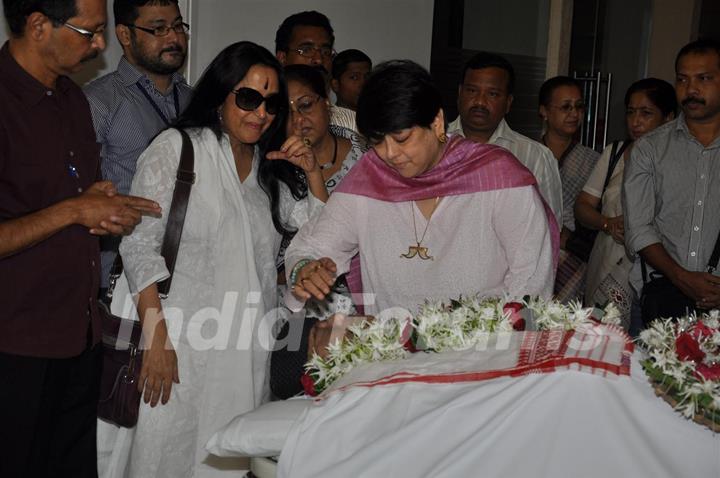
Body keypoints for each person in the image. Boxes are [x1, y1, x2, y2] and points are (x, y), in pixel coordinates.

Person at [116, 41, 327, 477]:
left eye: (271, 103)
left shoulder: (269, 169)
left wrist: (311, 171)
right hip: (177, 344)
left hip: (243, 347)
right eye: (248, 98)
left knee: (226, 458)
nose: (261, 113)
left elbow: (318, 233)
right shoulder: (178, 149)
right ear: (221, 95)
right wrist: (156, 338)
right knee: (164, 454)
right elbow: (138, 244)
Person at [284, 60, 558, 356]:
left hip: (482, 361)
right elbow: (312, 245)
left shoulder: (500, 179)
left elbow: (530, 285)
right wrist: (305, 269)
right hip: (392, 360)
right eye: (377, 141)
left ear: (437, 123)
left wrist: (491, 351)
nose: (389, 154)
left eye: (402, 138)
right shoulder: (370, 179)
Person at [0, 0, 161, 476]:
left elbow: (65, 200)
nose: (100, 45)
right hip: (15, 343)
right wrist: (74, 209)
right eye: (88, 31)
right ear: (37, 26)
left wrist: (97, 203)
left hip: (79, 334)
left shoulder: (72, 98)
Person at [84, 0, 193, 297]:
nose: (174, 38)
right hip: (120, 284)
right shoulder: (97, 102)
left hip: (191, 281)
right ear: (124, 34)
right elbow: (77, 198)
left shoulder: (196, 102)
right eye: (158, 29)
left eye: (178, 26)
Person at [271, 64, 367, 398]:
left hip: (366, 313)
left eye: (307, 105)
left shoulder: (368, 157)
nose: (298, 120)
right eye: (287, 111)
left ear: (327, 103)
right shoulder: (274, 169)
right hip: (296, 320)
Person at [623, 38, 720, 328]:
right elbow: (638, 228)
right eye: (682, 79)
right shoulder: (649, 148)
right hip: (660, 302)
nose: (691, 90)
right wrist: (682, 278)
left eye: (704, 79)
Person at [575, 78, 676, 328]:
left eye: (646, 113)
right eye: (631, 112)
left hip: (656, 270)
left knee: (647, 341)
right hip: (607, 259)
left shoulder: (679, 162)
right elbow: (582, 207)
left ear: (669, 118)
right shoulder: (615, 152)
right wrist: (607, 223)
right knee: (600, 339)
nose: (636, 121)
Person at [448, 52, 563, 226]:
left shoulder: (535, 157)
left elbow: (549, 227)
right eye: (472, 90)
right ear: (459, 93)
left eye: (492, 94)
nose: (479, 101)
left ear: (508, 102)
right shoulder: (433, 145)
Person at [539, 76, 600, 303]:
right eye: (565, 107)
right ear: (544, 111)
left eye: (579, 106)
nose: (574, 113)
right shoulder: (529, 154)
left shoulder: (595, 160)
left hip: (576, 257)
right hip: (535, 251)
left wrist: (570, 240)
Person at [274, 10, 357, 132]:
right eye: (306, 50)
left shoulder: (352, 124)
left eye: (325, 52)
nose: (318, 60)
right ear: (282, 58)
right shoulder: (262, 119)